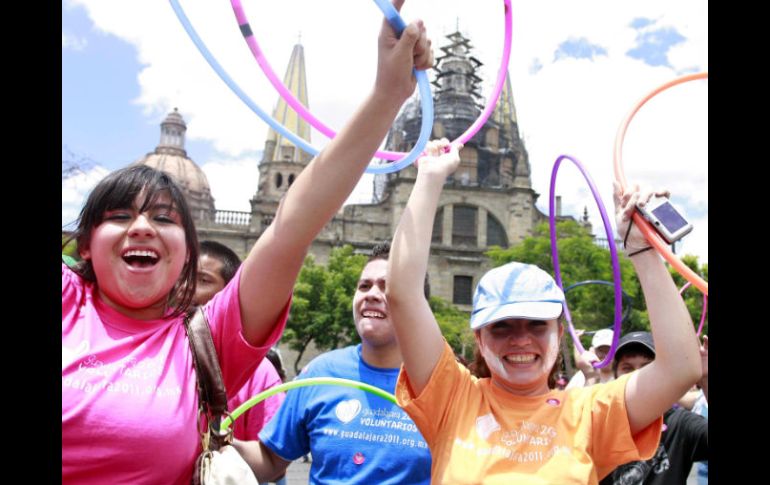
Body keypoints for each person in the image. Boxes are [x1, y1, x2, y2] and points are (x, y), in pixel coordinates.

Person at [61, 2, 434, 481]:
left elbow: (292, 227)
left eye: (163, 218)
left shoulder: (207, 343)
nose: (142, 227)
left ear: (187, 255)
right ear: (84, 245)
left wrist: (388, 93)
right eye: (118, 215)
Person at [385, 138, 702, 483]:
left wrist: (642, 250)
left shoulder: (589, 413)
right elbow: (402, 294)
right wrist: (429, 178)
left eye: (536, 325)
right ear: (479, 338)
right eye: (502, 326)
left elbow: (681, 368)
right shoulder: (452, 399)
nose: (521, 339)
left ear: (560, 332)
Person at [234, 242, 432, 484]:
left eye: (387, 287)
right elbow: (271, 461)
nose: (371, 294)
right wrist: (216, 443)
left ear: (418, 304)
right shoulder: (322, 372)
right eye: (364, 286)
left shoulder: (442, 383)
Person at [194, 240, 286, 445]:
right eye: (181, 277)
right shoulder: (157, 352)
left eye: (203, 280)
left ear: (229, 294)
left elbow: (273, 456)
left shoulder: (260, 373)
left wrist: (212, 445)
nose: (186, 288)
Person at [600, 332, 708, 485]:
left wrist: (706, 379)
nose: (637, 375)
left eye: (648, 367)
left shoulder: (679, 423)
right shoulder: (598, 424)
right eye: (627, 368)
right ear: (616, 374)